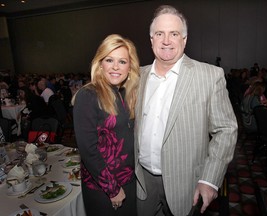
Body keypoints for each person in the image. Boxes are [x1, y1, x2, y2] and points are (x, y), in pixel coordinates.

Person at [134, 5, 238, 216]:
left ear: (184, 39)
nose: (166, 41)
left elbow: (226, 129)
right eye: (159, 34)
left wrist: (210, 179)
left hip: (186, 184)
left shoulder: (209, 76)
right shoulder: (136, 77)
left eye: (174, 34)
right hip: (140, 181)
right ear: (151, 39)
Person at [72, 34, 140, 216]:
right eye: (109, 60)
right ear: (100, 63)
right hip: (103, 188)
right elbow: (88, 150)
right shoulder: (88, 95)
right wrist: (112, 189)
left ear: (130, 66)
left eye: (122, 61)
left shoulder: (126, 94)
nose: (116, 67)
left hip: (128, 180)